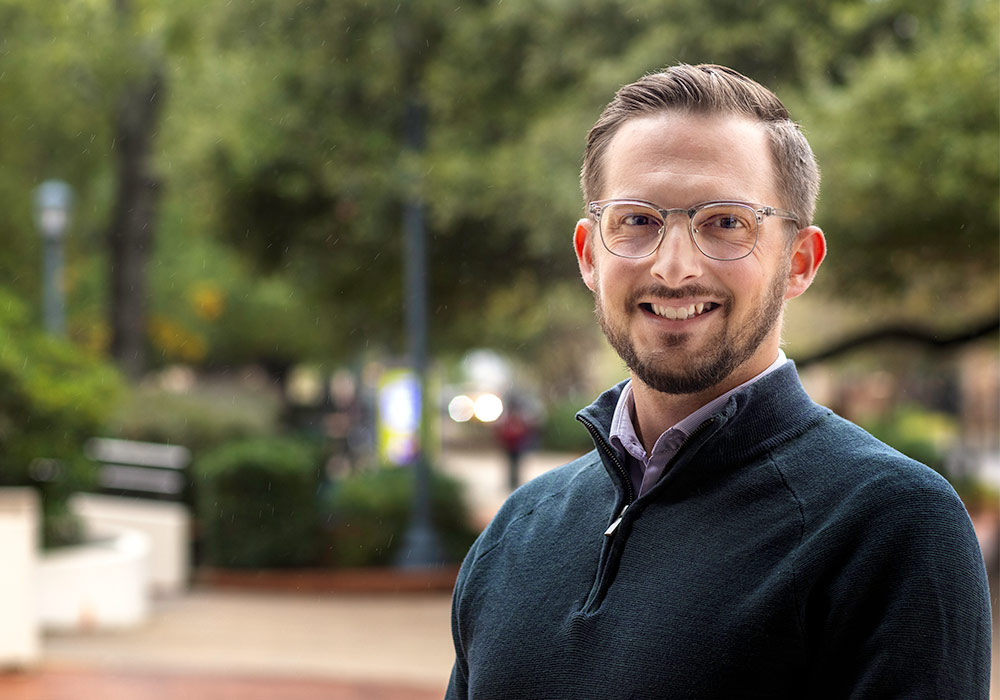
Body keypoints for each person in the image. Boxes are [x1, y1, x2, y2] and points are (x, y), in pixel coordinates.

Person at [445, 64, 992, 699]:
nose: (674, 268)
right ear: (590, 255)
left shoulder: (891, 526)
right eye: (638, 221)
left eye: (726, 223)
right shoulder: (516, 531)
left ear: (799, 262)